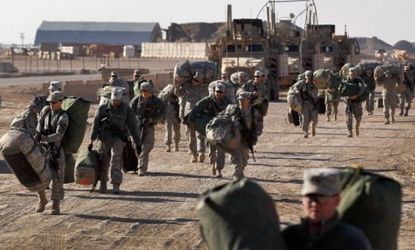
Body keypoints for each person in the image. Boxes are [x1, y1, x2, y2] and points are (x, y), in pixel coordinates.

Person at [282, 168, 372, 250]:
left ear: (337, 200)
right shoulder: (289, 236)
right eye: (310, 197)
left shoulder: (351, 240)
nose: (314, 204)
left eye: (321, 198)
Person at [89, 87, 141, 194]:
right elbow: (95, 123)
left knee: (116, 161)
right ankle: (103, 183)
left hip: (118, 138)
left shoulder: (126, 109)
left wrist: (137, 142)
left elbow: (133, 126)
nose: (115, 103)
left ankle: (116, 185)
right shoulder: (103, 108)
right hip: (104, 138)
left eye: (117, 101)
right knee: (103, 161)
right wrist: (91, 140)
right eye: (113, 101)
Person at [35, 91, 69, 215]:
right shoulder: (45, 111)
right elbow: (39, 126)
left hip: (56, 152)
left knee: (57, 179)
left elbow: (58, 136)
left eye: (54, 102)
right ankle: (42, 199)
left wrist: (44, 138)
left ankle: (55, 205)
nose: (51, 104)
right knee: (39, 176)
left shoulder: (63, 117)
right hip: (43, 151)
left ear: (60, 102)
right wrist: (38, 134)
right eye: (50, 102)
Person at [189, 82, 231, 177]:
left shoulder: (227, 101)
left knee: (221, 149)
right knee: (212, 149)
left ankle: (219, 169)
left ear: (224, 92)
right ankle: (213, 163)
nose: (219, 93)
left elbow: (233, 112)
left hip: (221, 128)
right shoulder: (207, 100)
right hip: (210, 128)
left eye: (221, 92)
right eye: (217, 91)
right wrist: (192, 122)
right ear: (214, 91)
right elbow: (195, 110)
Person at [130, 82, 166, 176]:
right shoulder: (135, 101)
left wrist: (153, 119)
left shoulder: (155, 100)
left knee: (148, 146)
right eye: (149, 92)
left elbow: (163, 110)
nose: (151, 93)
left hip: (149, 126)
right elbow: (129, 113)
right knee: (136, 146)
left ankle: (141, 168)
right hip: (137, 126)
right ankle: (138, 164)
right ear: (143, 91)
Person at [228, 91, 263, 180]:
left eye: (243, 100)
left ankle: (240, 171)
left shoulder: (253, 112)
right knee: (237, 157)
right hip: (234, 138)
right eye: (239, 100)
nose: (241, 101)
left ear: (248, 100)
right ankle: (237, 174)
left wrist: (256, 135)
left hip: (246, 139)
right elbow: (224, 120)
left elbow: (259, 124)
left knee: (245, 158)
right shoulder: (233, 109)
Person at [175, 71, 208, 163]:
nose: (195, 81)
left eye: (197, 80)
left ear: (201, 81)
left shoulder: (205, 88)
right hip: (189, 113)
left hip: (201, 113)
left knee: (200, 135)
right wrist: (177, 86)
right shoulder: (186, 86)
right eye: (194, 79)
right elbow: (178, 94)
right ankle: (194, 155)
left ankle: (201, 152)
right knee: (191, 135)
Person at [291, 70, 318, 138]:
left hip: (313, 104)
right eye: (307, 76)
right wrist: (296, 90)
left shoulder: (314, 83)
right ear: (305, 76)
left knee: (315, 119)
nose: (308, 78)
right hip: (304, 104)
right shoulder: (301, 83)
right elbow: (293, 87)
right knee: (305, 118)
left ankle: (313, 127)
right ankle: (306, 132)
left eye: (310, 76)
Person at [158, 84, 181, 152]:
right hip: (168, 113)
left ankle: (176, 144)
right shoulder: (168, 91)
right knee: (168, 129)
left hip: (177, 114)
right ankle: (168, 146)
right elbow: (162, 101)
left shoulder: (181, 90)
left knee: (176, 130)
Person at [344, 67, 366, 137]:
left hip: (357, 102)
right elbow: (342, 89)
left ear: (355, 74)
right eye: (351, 74)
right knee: (348, 118)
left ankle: (357, 126)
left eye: (353, 74)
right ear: (349, 74)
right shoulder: (346, 81)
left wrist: (357, 95)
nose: (352, 75)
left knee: (358, 117)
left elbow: (362, 88)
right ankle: (350, 132)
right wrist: (346, 96)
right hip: (349, 102)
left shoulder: (359, 81)